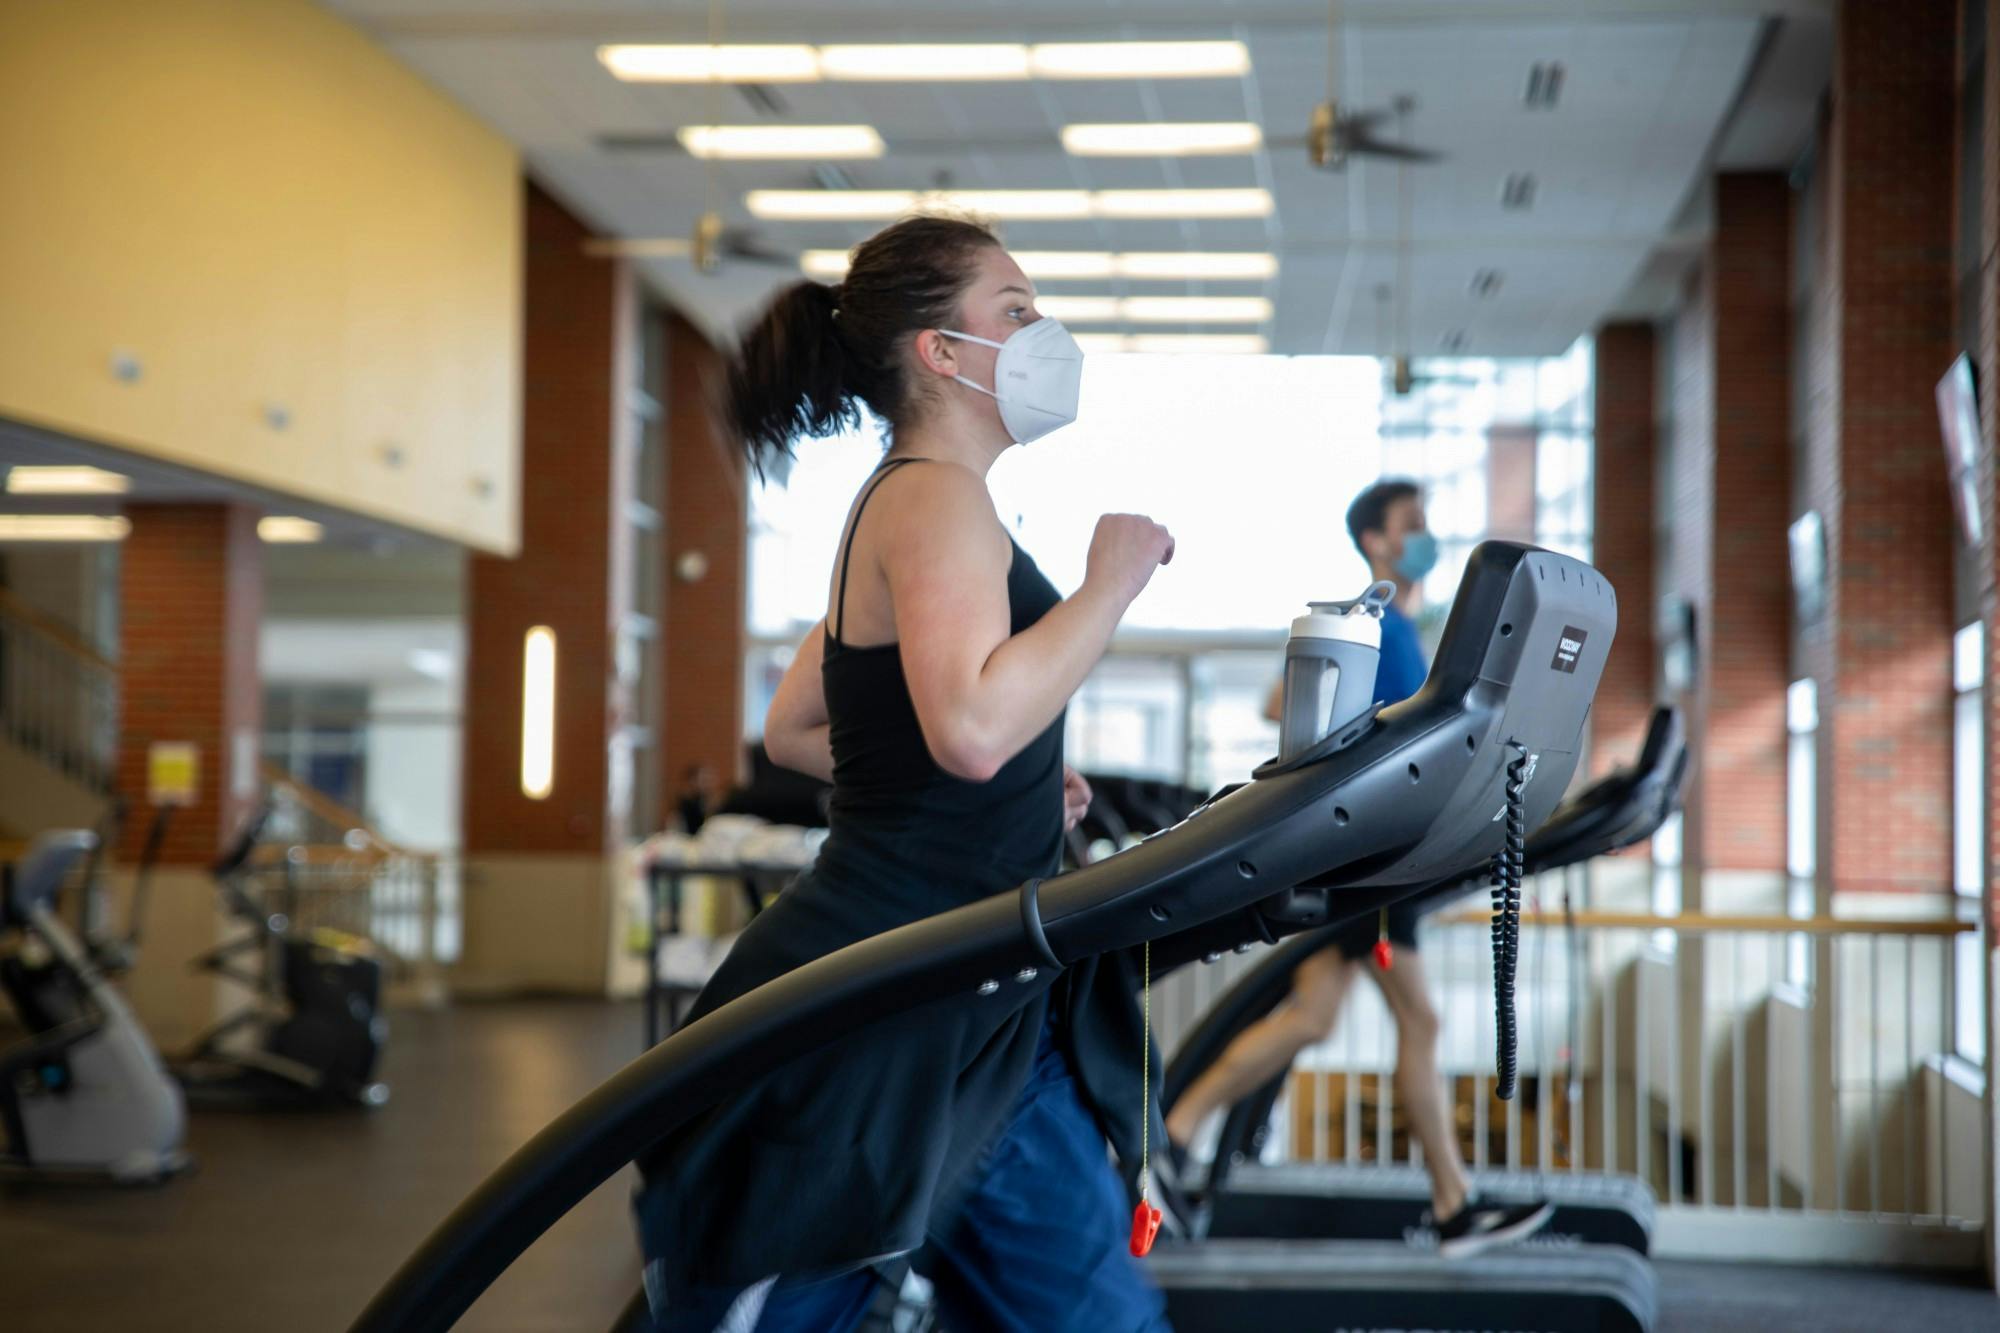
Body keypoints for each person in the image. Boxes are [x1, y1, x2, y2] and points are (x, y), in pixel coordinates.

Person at [633, 215, 1178, 1332]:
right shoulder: (934, 496)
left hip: (965, 1002)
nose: (1043, 332)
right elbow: (970, 729)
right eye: (1015, 310)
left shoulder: (907, 497)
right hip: (901, 1002)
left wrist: (1024, 778)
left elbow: (797, 728)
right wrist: (1107, 587)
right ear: (941, 350)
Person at [1172, 479, 1553, 1259]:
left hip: (1380, 855)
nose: (1426, 537)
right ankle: (1452, 1205)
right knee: (1420, 1019)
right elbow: (1285, 698)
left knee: (1313, 1018)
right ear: (1377, 543)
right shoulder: (1375, 618)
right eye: (1412, 526)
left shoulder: (1411, 627)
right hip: (1372, 861)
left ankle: (1173, 1137)